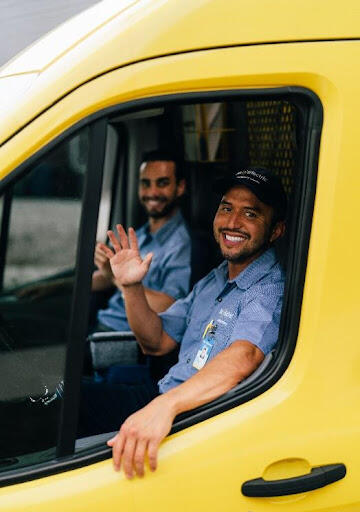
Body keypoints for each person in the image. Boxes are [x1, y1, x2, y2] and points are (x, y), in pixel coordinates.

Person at [78, 167, 287, 480]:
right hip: (162, 395)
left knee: (68, 403)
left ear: (275, 231)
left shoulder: (269, 288)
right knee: (62, 394)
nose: (232, 222)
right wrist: (131, 287)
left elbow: (245, 355)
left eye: (250, 214)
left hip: (192, 420)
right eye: (227, 208)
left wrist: (166, 407)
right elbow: (157, 341)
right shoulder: (215, 279)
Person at [91, 150, 191, 333]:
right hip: (104, 324)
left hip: (124, 337)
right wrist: (53, 288)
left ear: (180, 187)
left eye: (162, 183)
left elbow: (169, 306)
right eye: (146, 183)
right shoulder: (141, 233)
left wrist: (115, 277)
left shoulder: (181, 244)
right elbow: (105, 277)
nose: (152, 192)